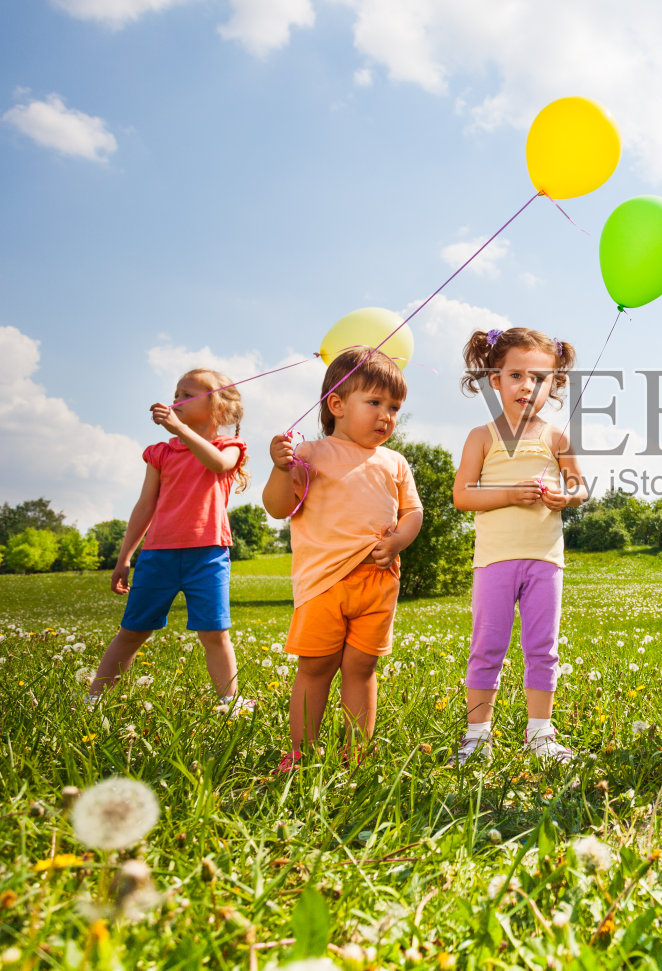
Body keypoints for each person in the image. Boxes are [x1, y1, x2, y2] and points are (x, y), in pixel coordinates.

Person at [264, 348, 423, 772]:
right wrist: (281, 469)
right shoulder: (311, 454)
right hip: (324, 582)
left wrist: (399, 542)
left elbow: (413, 512)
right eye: (375, 403)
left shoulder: (395, 462)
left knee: (362, 665)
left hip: (379, 580)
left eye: (394, 407)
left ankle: (357, 755)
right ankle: (301, 752)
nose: (387, 415)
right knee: (316, 666)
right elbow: (278, 507)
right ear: (336, 404)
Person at [451, 328, 586, 765]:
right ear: (495, 379)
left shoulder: (556, 438)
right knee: (487, 645)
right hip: (494, 561)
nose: (528, 386)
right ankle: (477, 736)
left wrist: (566, 497)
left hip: (545, 560)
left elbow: (579, 488)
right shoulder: (482, 436)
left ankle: (540, 733)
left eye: (540, 378)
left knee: (543, 649)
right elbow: (462, 496)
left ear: (553, 384)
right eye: (516, 375)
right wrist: (510, 493)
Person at [90, 369, 250, 711]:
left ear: (217, 408)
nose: (176, 400)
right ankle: (93, 700)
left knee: (214, 635)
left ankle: (229, 703)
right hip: (158, 556)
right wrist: (124, 557)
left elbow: (219, 465)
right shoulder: (160, 453)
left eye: (186, 395)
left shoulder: (229, 446)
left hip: (207, 557)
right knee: (132, 631)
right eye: (176, 393)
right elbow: (144, 506)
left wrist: (179, 429)